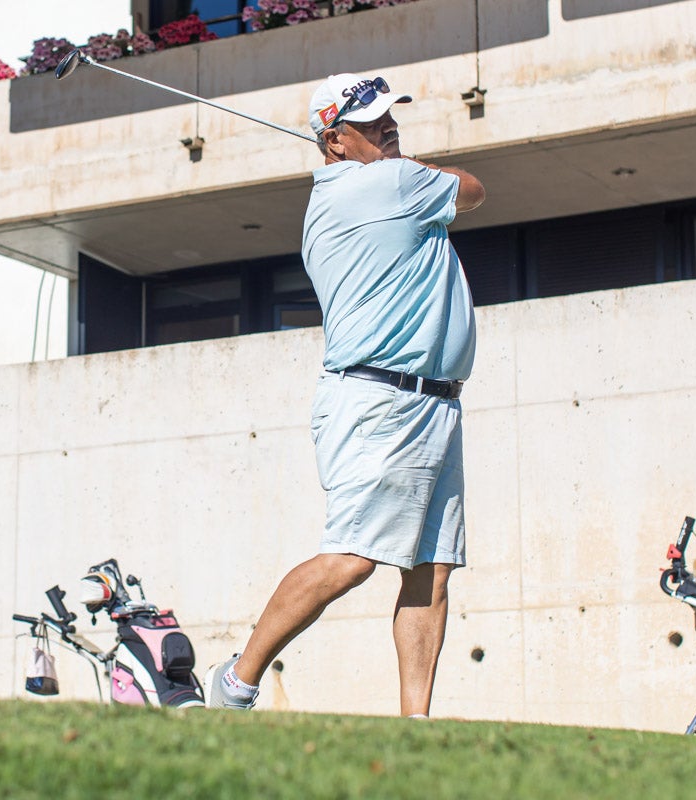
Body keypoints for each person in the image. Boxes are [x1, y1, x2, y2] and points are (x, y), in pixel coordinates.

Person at [205, 73, 486, 716]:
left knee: (431, 568)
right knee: (353, 560)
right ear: (334, 139)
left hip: (431, 402)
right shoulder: (388, 183)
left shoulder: (367, 184)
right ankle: (237, 683)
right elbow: (473, 189)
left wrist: (395, 161)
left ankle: (417, 722)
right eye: (373, 121)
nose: (391, 126)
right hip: (381, 400)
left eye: (392, 115)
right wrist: (406, 165)